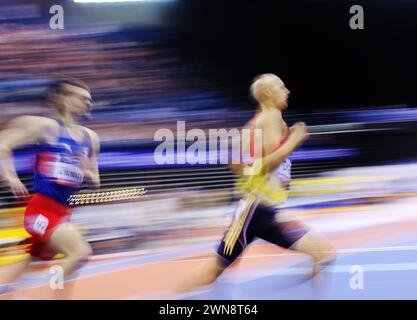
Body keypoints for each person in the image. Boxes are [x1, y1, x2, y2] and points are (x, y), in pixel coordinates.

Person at [177, 73, 337, 293]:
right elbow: (267, 165)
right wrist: (294, 140)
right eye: (282, 87)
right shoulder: (272, 116)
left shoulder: (255, 124)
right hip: (253, 211)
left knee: (324, 254)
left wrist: (240, 163)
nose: (287, 91)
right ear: (268, 93)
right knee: (211, 273)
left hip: (266, 211)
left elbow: (247, 165)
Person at [0, 77, 100, 296]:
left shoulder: (91, 138)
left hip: (64, 213)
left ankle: (6, 292)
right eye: (82, 98)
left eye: (90, 99)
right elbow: (2, 145)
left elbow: (95, 180)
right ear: (63, 99)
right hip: (41, 210)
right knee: (79, 252)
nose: (88, 103)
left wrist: (86, 172)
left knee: (35, 257)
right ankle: (54, 291)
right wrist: (10, 177)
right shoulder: (45, 127)